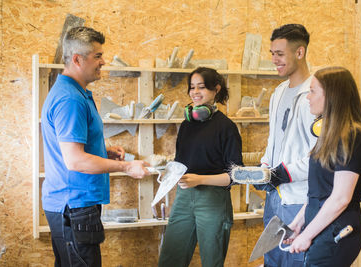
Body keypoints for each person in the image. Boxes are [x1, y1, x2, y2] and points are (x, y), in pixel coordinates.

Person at [40, 26, 150, 267]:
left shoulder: (76, 93)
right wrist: (127, 167)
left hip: (73, 204)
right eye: (97, 56)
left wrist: (102, 152)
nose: (104, 61)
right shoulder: (70, 99)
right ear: (77, 59)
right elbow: (75, 160)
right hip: (74, 205)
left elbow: (72, 148)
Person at [284, 66, 361, 266]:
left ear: (332, 96)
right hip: (321, 228)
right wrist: (298, 224)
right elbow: (319, 191)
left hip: (337, 232)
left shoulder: (352, 136)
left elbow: (341, 198)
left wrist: (307, 235)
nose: (308, 97)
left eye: (313, 91)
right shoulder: (330, 135)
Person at [158, 67, 243, 267]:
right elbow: (181, 164)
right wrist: (168, 174)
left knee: (212, 261)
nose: (195, 92)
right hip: (183, 198)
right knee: (170, 260)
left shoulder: (227, 128)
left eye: (201, 87)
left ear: (216, 89)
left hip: (213, 200)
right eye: (192, 88)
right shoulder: (187, 125)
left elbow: (236, 175)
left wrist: (200, 179)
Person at [254, 24, 317, 267]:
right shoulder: (278, 92)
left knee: (296, 261)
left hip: (299, 201)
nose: (273, 60)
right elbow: (274, 141)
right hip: (274, 199)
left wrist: (283, 173)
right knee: (273, 261)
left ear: (299, 53)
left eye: (279, 54)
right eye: (272, 54)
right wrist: (264, 168)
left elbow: (320, 156)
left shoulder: (316, 94)